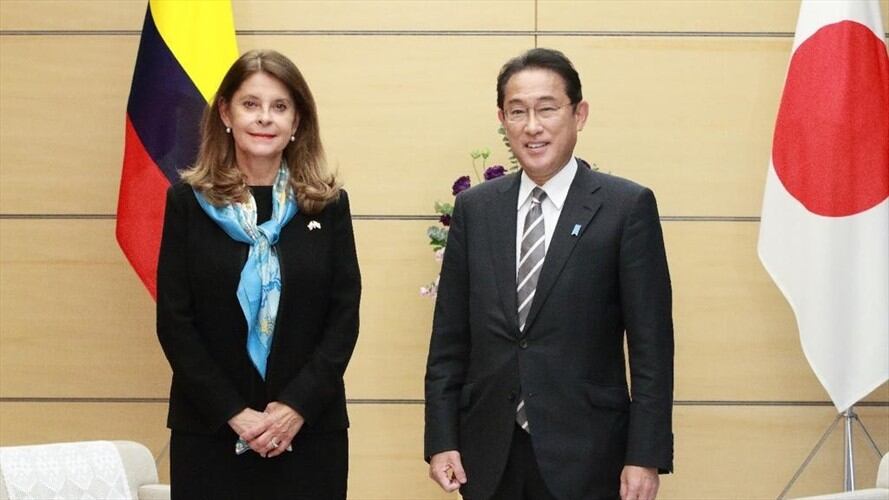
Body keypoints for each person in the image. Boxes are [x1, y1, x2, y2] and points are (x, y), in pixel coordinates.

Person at [424, 48, 674, 500]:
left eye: (547, 109)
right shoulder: (476, 209)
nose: (532, 126)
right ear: (502, 119)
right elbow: (449, 340)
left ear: (579, 114)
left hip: (590, 455)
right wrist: (442, 441)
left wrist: (645, 454)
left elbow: (652, 347)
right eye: (517, 112)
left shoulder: (625, 207)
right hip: (489, 453)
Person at [156, 49, 361, 500]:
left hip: (309, 433)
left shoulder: (328, 207)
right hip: (210, 432)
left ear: (297, 122)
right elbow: (175, 322)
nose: (264, 118)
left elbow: (343, 318)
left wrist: (293, 409)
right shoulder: (187, 205)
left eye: (280, 106)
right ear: (226, 113)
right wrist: (236, 414)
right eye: (251, 104)